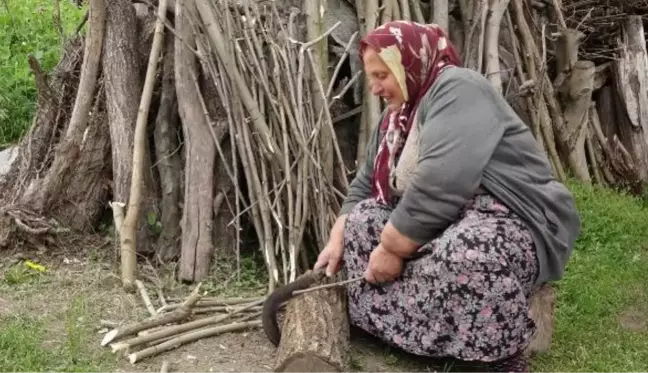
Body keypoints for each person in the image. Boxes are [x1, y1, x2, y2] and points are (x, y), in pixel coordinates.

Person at [313, 21, 581, 373]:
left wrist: (392, 249)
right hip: (444, 223)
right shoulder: (396, 121)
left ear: (408, 64)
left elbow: (443, 183)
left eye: (382, 75)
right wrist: (338, 238)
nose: (375, 87)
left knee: (469, 252)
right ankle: (415, 334)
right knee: (363, 220)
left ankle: (495, 357)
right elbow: (363, 188)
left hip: (512, 217)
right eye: (371, 77)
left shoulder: (458, 89)